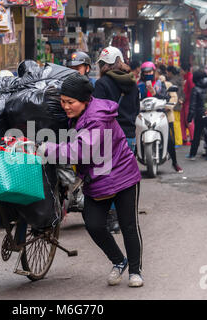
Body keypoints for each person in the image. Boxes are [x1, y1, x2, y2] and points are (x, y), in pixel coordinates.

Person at [40, 73, 144, 287]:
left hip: (123, 176)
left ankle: (135, 271)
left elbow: (81, 150)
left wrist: (47, 149)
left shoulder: (96, 118)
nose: (66, 106)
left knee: (128, 225)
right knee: (94, 225)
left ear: (85, 101)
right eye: (63, 102)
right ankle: (119, 261)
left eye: (70, 102)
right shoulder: (76, 115)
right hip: (97, 179)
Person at [92, 46, 140, 233]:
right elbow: (136, 109)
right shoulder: (132, 83)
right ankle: (125, 217)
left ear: (104, 64)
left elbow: (96, 112)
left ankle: (111, 219)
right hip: (128, 135)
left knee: (108, 177)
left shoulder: (102, 84)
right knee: (125, 179)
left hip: (109, 136)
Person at [138, 62, 183, 173]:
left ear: (154, 72)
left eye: (150, 72)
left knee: (170, 140)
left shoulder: (163, 84)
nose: (148, 74)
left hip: (161, 114)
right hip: (144, 114)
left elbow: (168, 98)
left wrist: (154, 93)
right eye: (146, 72)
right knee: (136, 137)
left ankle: (175, 163)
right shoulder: (138, 85)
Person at [186, 70, 207, 160]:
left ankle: (192, 155)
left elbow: (192, 106)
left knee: (197, 135)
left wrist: (189, 119)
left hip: (199, 115)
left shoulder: (195, 89)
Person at [180, 62, 195, 145]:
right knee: (183, 121)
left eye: (181, 70)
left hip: (188, 103)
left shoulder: (189, 78)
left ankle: (192, 139)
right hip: (185, 102)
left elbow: (191, 92)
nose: (180, 72)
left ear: (185, 70)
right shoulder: (185, 78)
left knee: (189, 121)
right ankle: (184, 139)